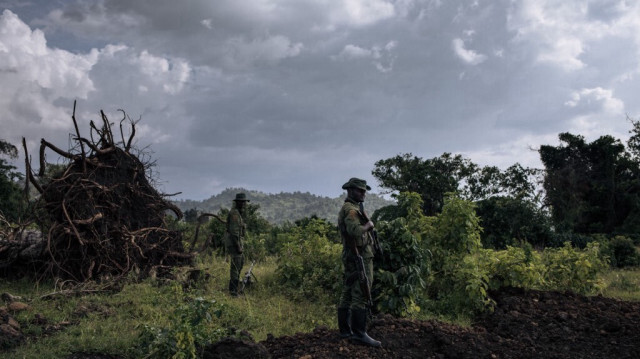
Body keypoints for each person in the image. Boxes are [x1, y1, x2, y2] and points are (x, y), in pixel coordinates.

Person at [337, 177, 382, 347]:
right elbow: (355, 231)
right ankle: (359, 334)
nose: (363, 193)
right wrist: (368, 226)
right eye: (359, 190)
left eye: (364, 190)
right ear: (350, 191)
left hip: (353, 255)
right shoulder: (351, 210)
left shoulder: (354, 208)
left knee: (348, 292)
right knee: (360, 293)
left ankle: (345, 331)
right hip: (358, 256)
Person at [225, 192, 249, 296]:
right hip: (235, 245)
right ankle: (233, 292)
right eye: (242, 202)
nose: (243, 204)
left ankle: (235, 289)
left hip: (237, 244)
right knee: (235, 267)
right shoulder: (234, 214)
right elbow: (234, 233)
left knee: (239, 264)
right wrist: (238, 246)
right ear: (237, 202)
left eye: (244, 202)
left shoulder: (238, 214)